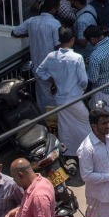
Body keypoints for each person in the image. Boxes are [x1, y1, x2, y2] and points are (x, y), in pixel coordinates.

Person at [34, 26, 90, 154]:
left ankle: (68, 153)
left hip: (60, 99)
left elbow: (39, 71)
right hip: (74, 98)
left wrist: (52, 81)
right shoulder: (77, 58)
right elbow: (84, 81)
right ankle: (87, 151)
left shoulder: (51, 56)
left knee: (65, 127)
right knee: (86, 123)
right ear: (72, 40)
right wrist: (81, 89)